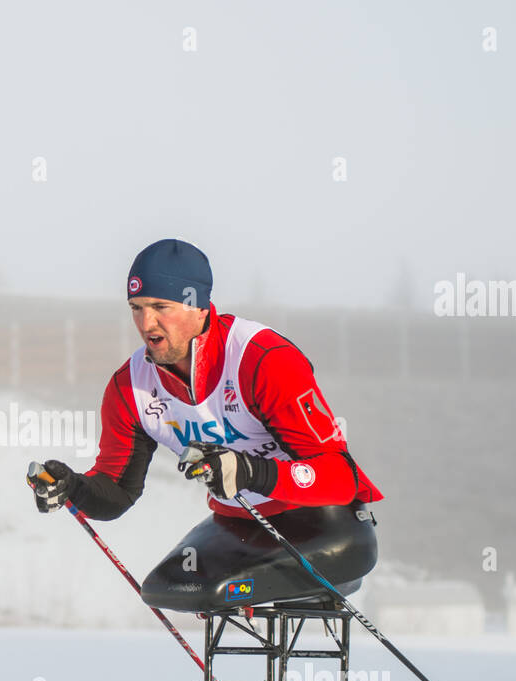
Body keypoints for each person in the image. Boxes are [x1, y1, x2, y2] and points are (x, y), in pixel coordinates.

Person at [28, 238, 384, 612]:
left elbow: (340, 479)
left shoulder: (261, 359)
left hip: (320, 521)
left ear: (197, 308)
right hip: (240, 527)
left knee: (211, 589)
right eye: (136, 308)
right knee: (165, 590)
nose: (145, 323)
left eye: (160, 307)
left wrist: (250, 472)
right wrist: (73, 488)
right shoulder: (130, 387)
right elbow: (114, 494)